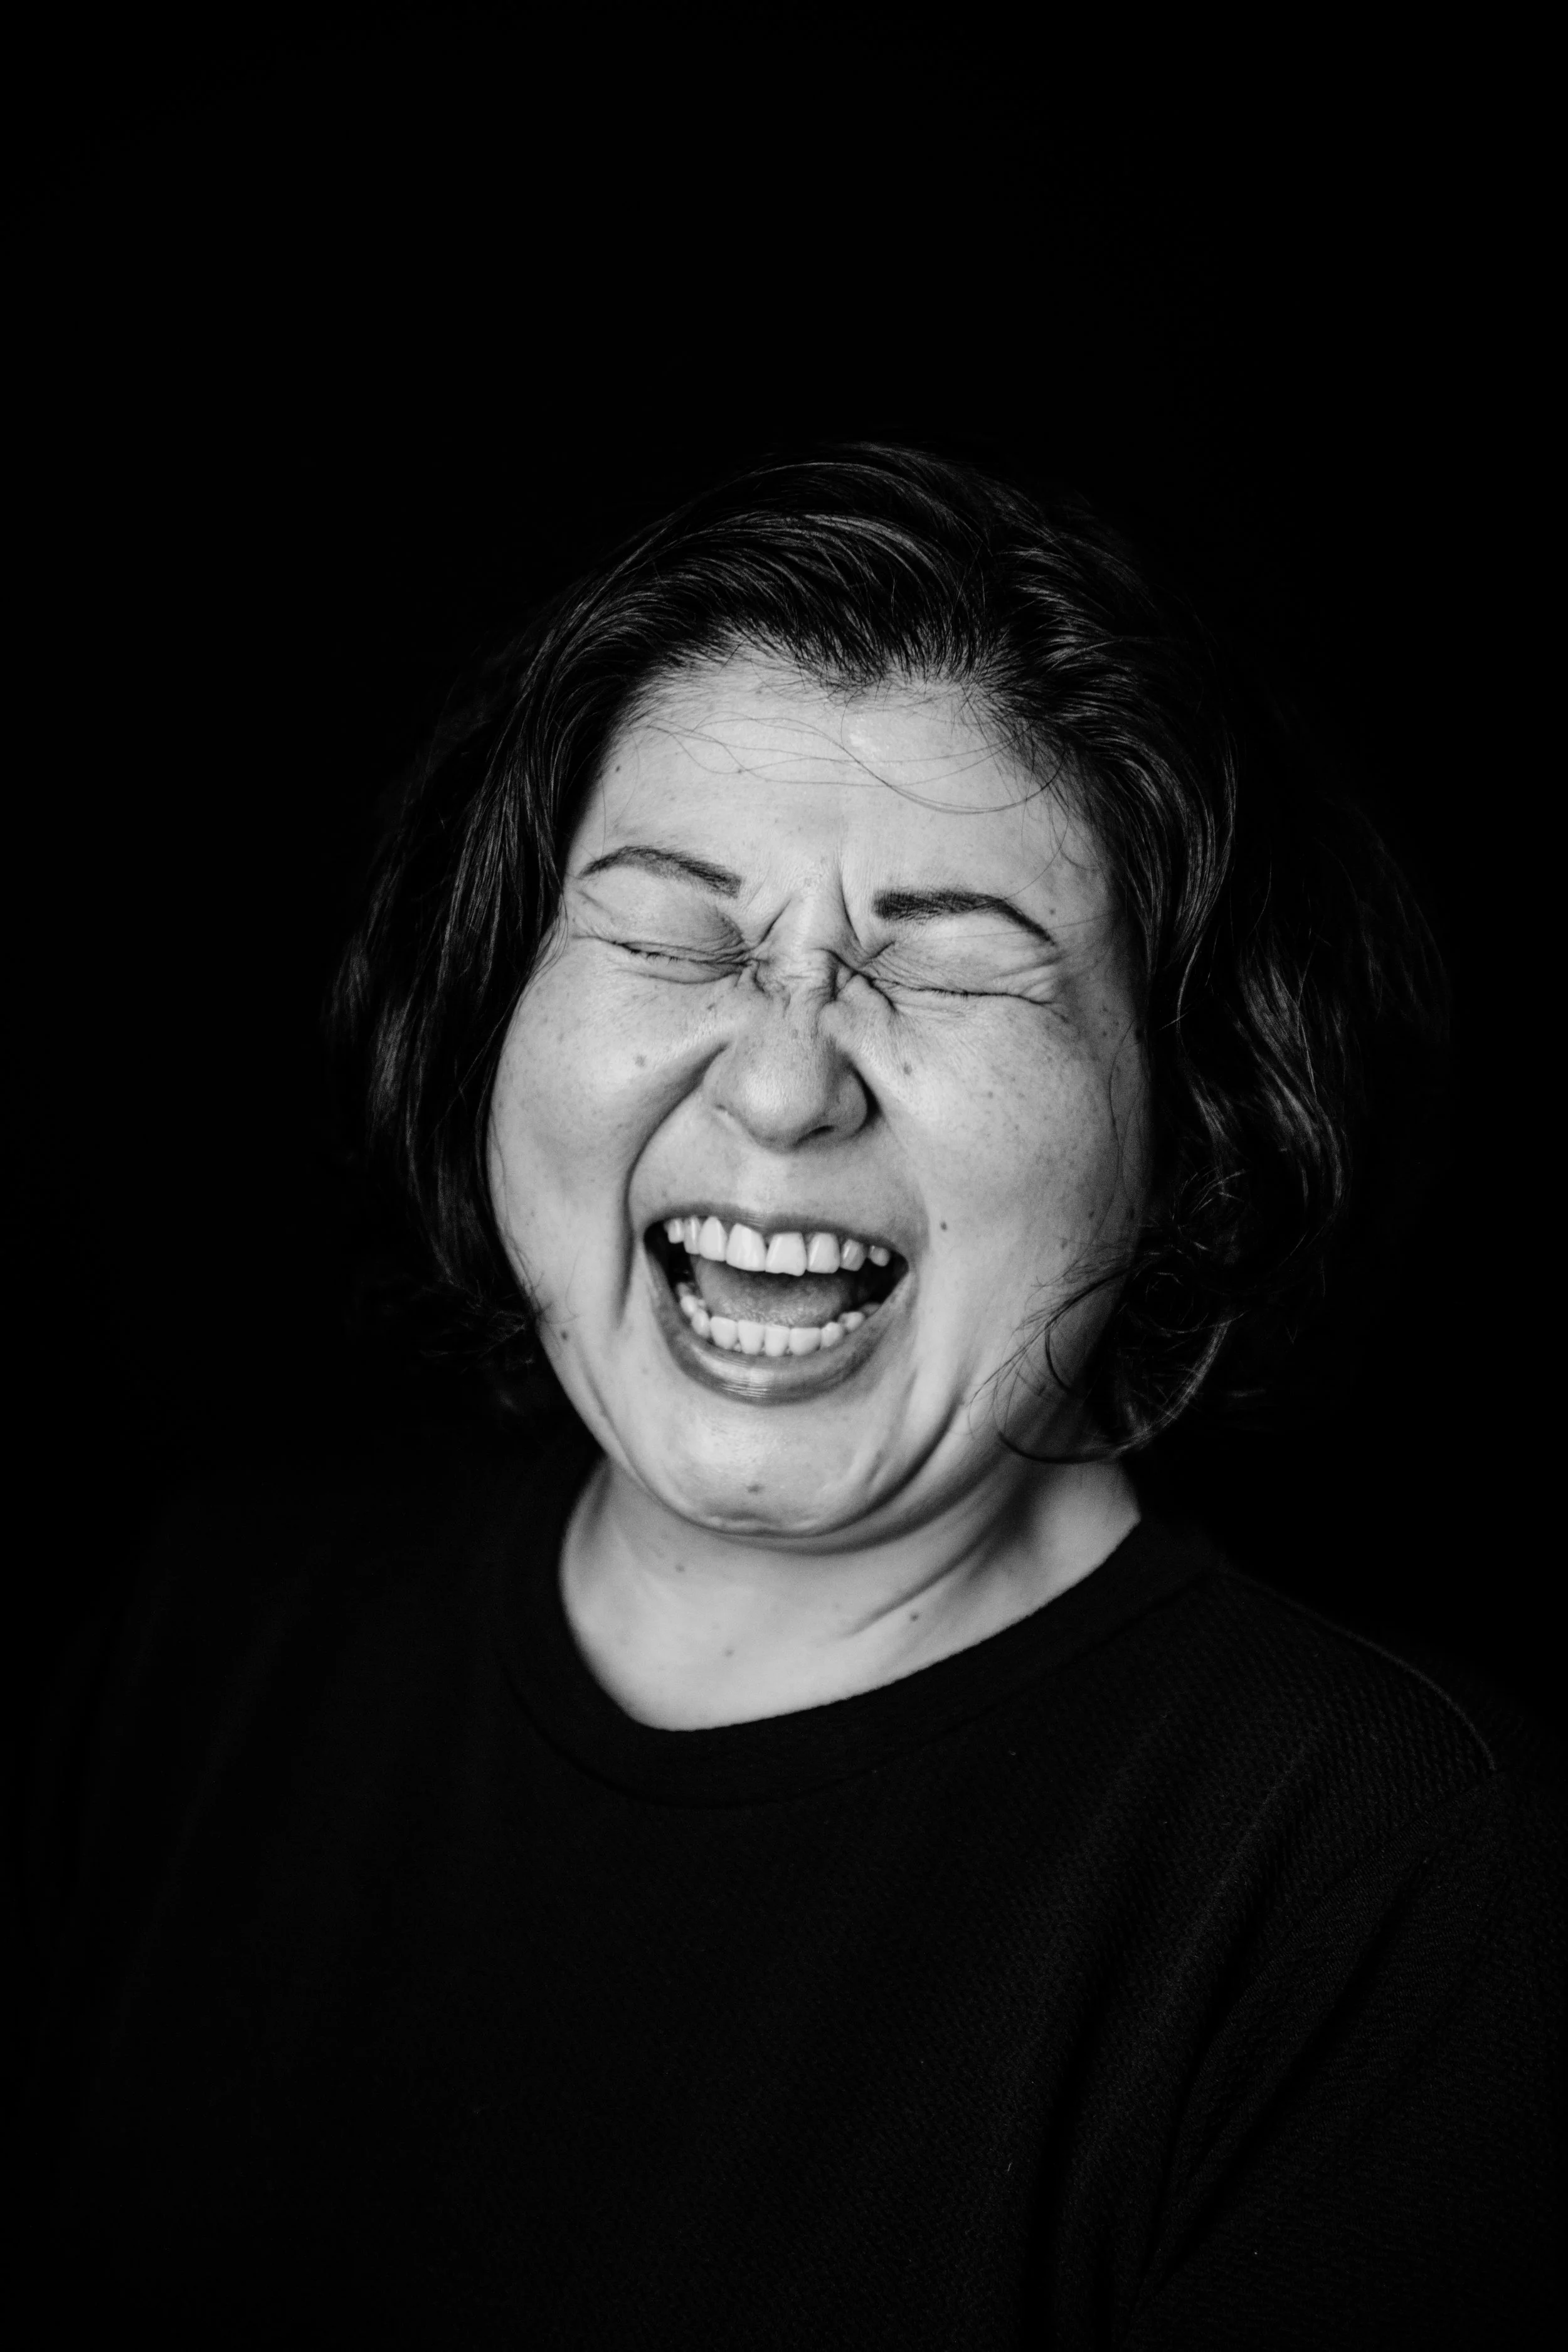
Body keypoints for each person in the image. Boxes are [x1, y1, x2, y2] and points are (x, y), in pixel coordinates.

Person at [13, 449, 1561, 2343]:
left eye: (949, 973)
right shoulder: (215, 1642)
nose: (779, 1084)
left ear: (1185, 1121)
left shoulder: (1363, 1864)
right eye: (667, 931)